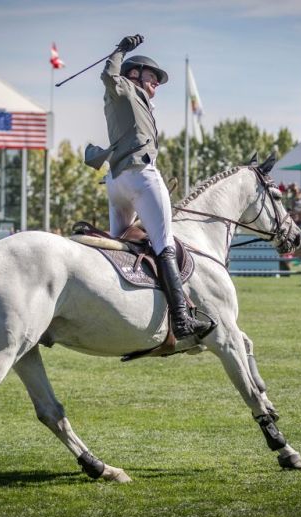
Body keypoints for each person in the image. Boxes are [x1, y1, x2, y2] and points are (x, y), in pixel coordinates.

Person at [84, 34, 215, 342]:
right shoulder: (125, 89)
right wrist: (121, 50)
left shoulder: (137, 100)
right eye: (152, 77)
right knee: (164, 243)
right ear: (134, 75)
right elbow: (108, 75)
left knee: (120, 243)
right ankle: (181, 319)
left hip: (116, 181)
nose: (156, 83)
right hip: (139, 176)